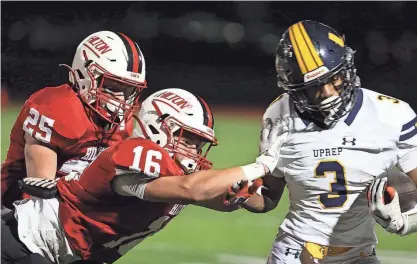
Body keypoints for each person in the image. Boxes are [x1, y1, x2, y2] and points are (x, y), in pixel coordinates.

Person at [2, 88, 287, 264]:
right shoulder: (132, 152)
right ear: (157, 128)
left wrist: (280, 167)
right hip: (21, 243)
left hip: (64, 254)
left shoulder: (185, 176)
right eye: (186, 139)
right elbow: (192, 190)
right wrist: (261, 165)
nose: (193, 151)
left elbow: (259, 202)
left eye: (198, 143)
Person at [235, 20, 417, 264]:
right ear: (296, 89)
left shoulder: (392, 115)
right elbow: (268, 196)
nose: (330, 92)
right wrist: (242, 194)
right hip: (294, 254)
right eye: (316, 87)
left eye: (336, 78)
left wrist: (408, 221)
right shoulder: (279, 114)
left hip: (360, 255)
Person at [1, 30, 147, 210]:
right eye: (111, 87)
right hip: (17, 210)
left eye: (128, 90)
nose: (121, 100)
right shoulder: (57, 107)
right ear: (83, 75)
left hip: (73, 209)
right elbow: (40, 191)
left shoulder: (123, 122)